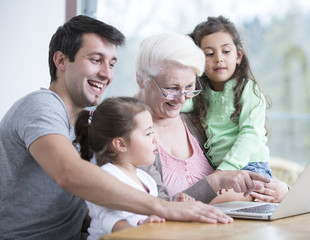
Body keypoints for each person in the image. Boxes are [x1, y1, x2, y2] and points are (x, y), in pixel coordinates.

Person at [0, 15, 233, 240]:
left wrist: (140, 220)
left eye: (112, 63)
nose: (106, 74)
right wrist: (163, 207)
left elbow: (90, 209)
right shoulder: (41, 105)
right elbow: (68, 173)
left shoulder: (90, 123)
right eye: (95, 60)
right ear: (61, 61)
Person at [136, 32, 271, 204]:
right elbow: (159, 206)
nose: (183, 98)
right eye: (172, 88)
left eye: (190, 87)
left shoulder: (193, 118)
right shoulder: (132, 133)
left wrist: (282, 192)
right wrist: (216, 182)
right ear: (141, 80)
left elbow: (248, 141)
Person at [185, 15, 289, 202]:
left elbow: (250, 134)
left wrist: (225, 170)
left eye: (226, 51)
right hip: (221, 170)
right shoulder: (201, 93)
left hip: (249, 166)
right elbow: (181, 102)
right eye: (209, 54)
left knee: (205, 200)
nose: (219, 59)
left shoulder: (247, 89)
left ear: (238, 56)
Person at [74, 97, 194, 239]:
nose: (155, 139)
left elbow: (152, 215)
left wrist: (173, 206)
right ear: (121, 144)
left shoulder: (146, 179)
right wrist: (142, 230)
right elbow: (110, 221)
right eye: (148, 133)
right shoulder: (107, 177)